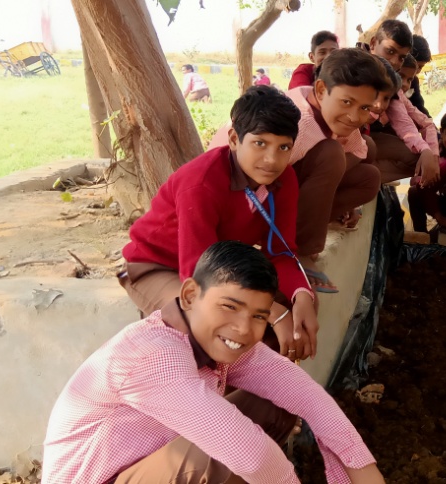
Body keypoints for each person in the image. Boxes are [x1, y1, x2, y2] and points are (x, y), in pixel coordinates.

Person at [43, 241, 386, 484]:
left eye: (258, 316)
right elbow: (249, 453)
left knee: (274, 407)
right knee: (218, 456)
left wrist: (362, 468)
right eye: (229, 306)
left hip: (141, 465)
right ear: (191, 295)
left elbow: (309, 398)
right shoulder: (155, 356)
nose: (243, 328)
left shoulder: (212, 340)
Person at [120, 86, 319, 360]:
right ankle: (198, 399)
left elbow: (281, 251)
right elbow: (199, 274)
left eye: (283, 147)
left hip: (221, 266)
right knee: (204, 324)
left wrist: (302, 295)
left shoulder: (284, 180)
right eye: (260, 143)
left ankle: (252, 398)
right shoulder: (201, 183)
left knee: (284, 314)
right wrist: (271, 311)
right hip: (160, 266)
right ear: (235, 139)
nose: (272, 160)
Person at [283, 48, 391, 292]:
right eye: (347, 102)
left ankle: (313, 219)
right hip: (256, 201)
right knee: (331, 154)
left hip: (287, 194)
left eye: (364, 108)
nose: (355, 117)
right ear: (321, 90)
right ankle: (301, 251)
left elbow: (361, 149)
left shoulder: (331, 112)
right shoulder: (298, 123)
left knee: (369, 177)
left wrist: (333, 190)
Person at [367, 54, 440, 185]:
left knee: (421, 160)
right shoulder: (362, 79)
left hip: (369, 143)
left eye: (410, 79)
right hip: (358, 145)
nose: (405, 85)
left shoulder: (395, 93)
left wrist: (430, 154)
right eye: (401, 77)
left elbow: (407, 124)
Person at [406, 34, 432, 116]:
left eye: (420, 67)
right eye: (415, 66)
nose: (416, 71)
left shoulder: (414, 81)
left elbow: (419, 106)